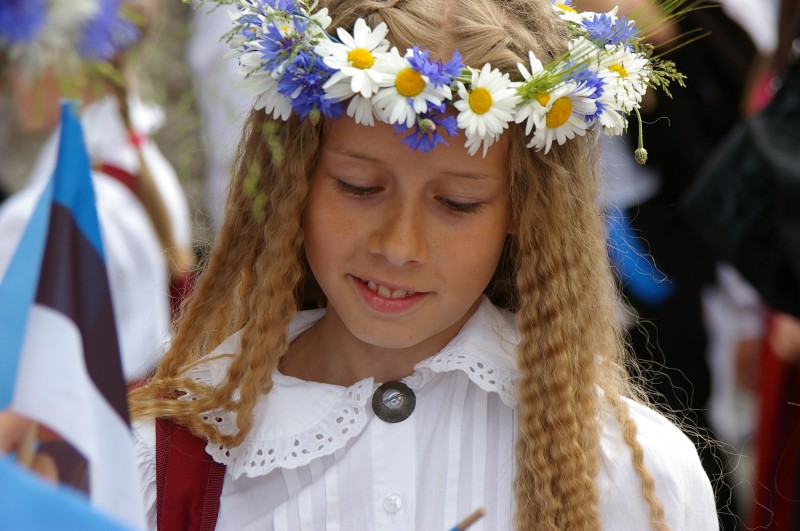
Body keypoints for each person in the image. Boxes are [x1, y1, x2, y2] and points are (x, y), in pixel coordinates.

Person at [123, 0, 717, 528]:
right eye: (358, 187)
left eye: (457, 203)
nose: (400, 245)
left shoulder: (628, 472)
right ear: (296, 181)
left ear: (522, 209)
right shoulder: (168, 458)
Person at [0, 0, 195, 382]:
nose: (8, 78)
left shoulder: (59, 213)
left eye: (13, 53)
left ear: (60, 61)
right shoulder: (141, 163)